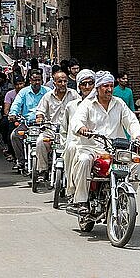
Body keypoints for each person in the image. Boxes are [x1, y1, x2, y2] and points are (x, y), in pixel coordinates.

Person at [67, 71, 140, 215]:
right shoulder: (87, 104)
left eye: (111, 86)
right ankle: (81, 201)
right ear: (97, 88)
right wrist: (82, 128)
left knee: (138, 164)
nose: (109, 89)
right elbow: (76, 121)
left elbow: (131, 121)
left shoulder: (119, 103)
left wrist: (138, 135)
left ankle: (126, 197)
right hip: (91, 148)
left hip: (115, 150)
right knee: (84, 160)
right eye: (105, 86)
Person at [35, 70, 80, 180]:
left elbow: (82, 107)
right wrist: (40, 117)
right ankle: (43, 169)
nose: (63, 84)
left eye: (65, 81)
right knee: (40, 142)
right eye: (60, 81)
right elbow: (40, 111)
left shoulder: (73, 94)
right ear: (54, 83)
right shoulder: (47, 96)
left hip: (69, 131)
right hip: (51, 130)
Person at [61, 69, 96, 200]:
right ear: (78, 86)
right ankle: (72, 189)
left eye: (90, 83)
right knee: (72, 148)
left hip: (95, 144)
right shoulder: (71, 106)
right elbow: (64, 129)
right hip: (76, 143)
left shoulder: (100, 104)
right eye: (83, 84)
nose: (87, 87)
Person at [9, 70, 50, 170]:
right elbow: (16, 104)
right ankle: (21, 160)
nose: (37, 82)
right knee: (15, 136)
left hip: (44, 124)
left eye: (39, 80)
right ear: (30, 81)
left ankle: (49, 160)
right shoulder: (24, 92)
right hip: (27, 124)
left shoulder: (48, 91)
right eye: (34, 80)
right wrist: (13, 114)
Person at [0, 75, 26, 161]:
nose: (19, 86)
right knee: (7, 129)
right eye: (17, 84)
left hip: (28, 119)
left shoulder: (28, 93)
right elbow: (6, 109)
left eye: (21, 84)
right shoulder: (9, 94)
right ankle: (12, 152)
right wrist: (11, 116)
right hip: (15, 118)